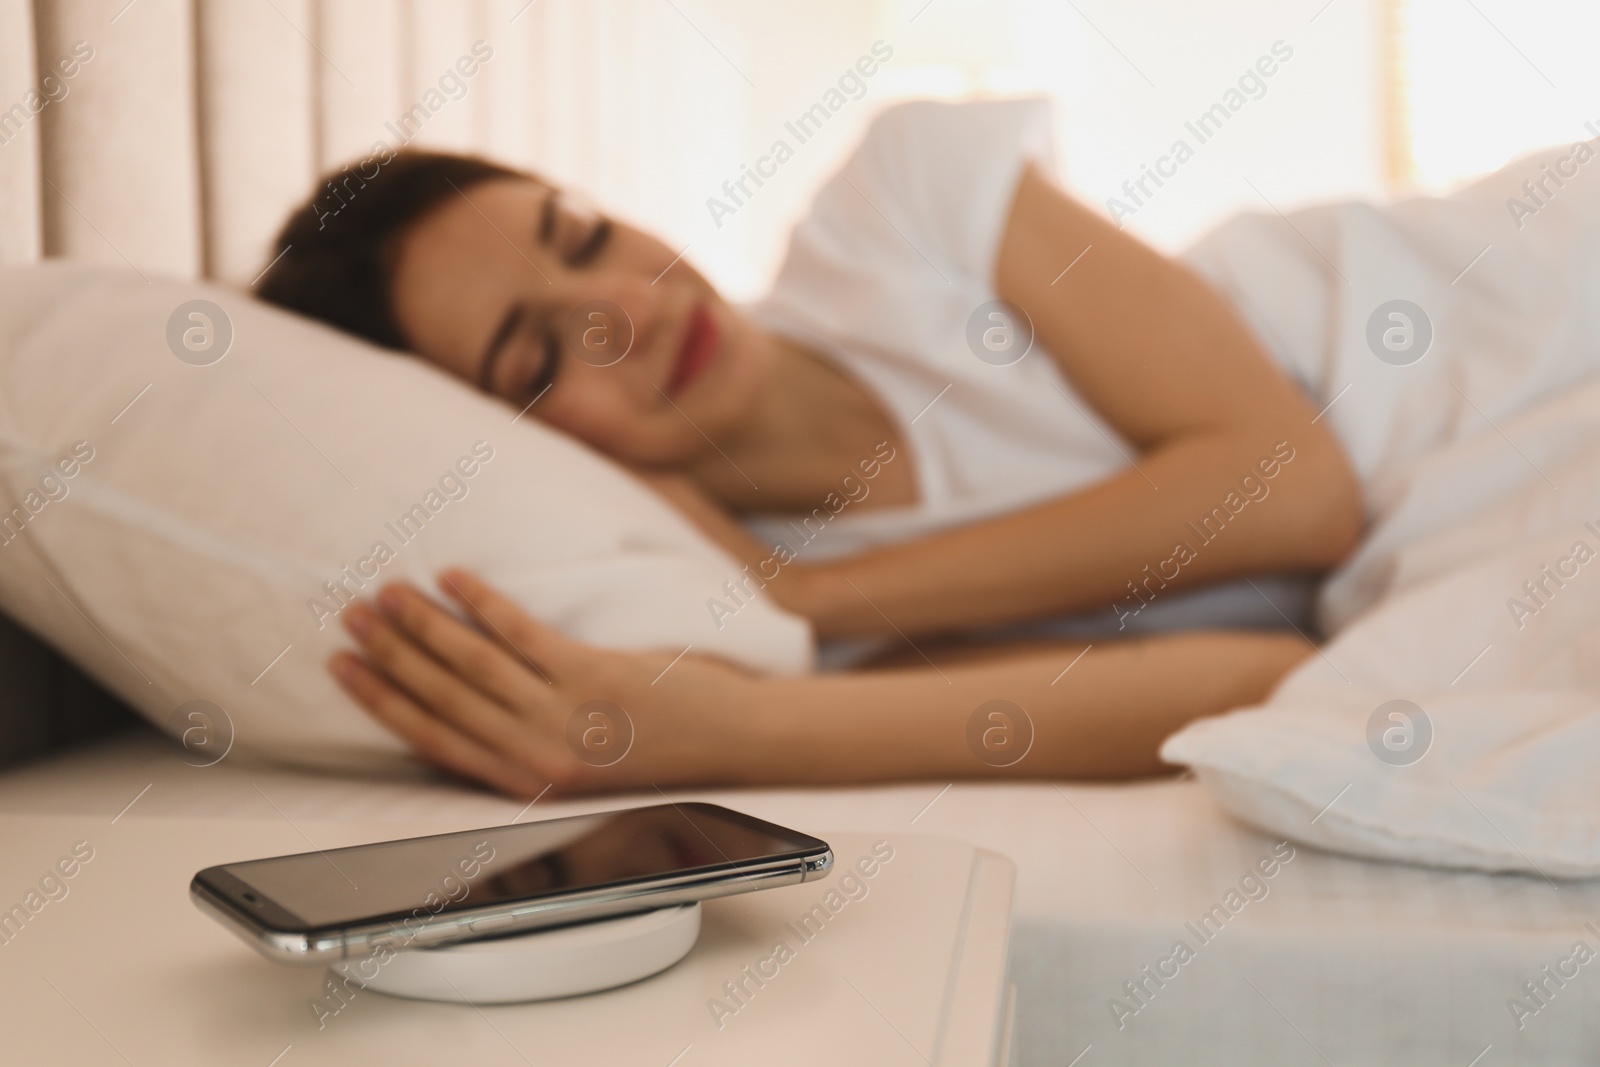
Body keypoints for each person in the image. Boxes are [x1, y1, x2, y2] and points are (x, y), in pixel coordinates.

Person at [256, 99, 1362, 796]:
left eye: (584, 235)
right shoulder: (738, 628)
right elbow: (1267, 680)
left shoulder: (901, 200)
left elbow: (1296, 489)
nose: (624, 306)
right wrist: (745, 714)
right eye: (537, 361)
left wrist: (812, 593)